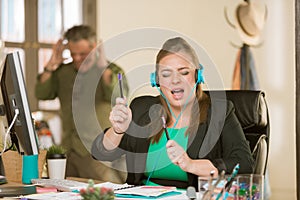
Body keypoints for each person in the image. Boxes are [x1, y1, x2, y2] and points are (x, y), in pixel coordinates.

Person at [91, 37, 254, 189]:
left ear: (197, 76)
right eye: (166, 74)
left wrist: (190, 165)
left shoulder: (220, 112)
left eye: (183, 72)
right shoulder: (142, 108)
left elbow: (245, 163)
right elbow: (100, 152)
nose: (175, 80)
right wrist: (118, 130)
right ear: (157, 81)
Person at [35, 25, 128, 183]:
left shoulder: (111, 71)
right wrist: (51, 65)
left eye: (83, 54)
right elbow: (42, 93)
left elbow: (119, 96)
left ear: (94, 48)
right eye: (73, 54)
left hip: (98, 154)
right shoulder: (62, 72)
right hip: (68, 152)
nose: (77, 58)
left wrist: (102, 65)